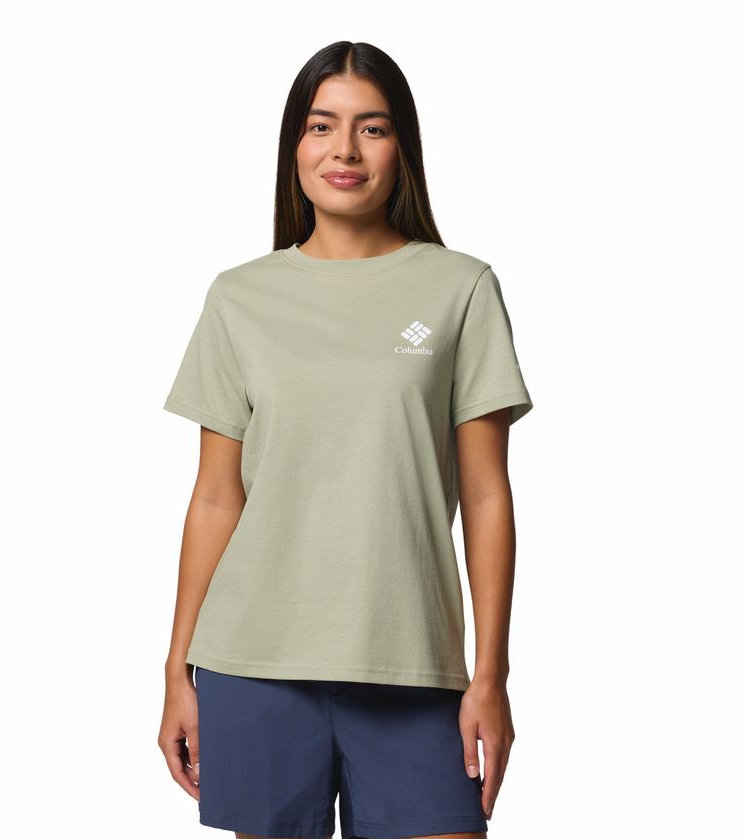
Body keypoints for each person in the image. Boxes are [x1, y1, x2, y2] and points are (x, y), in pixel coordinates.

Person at [157, 40, 534, 839]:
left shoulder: (460, 288)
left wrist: (491, 675)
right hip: (253, 664)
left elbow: (486, 494)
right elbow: (217, 497)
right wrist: (176, 669)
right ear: (294, 145)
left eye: (373, 127)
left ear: (403, 148)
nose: (345, 150)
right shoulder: (239, 298)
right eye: (322, 125)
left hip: (414, 667)